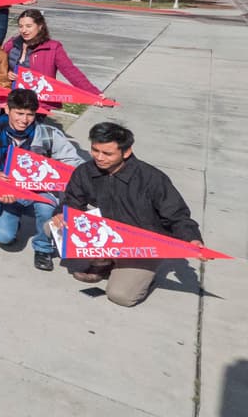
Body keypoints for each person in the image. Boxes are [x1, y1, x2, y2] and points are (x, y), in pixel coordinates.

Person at [50, 122, 204, 308]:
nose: (99, 157)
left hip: (141, 243)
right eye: (95, 150)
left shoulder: (152, 179)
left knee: (120, 295)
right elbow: (72, 201)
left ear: (126, 152)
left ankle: (145, 271)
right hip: (107, 235)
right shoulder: (85, 172)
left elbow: (177, 215)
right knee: (51, 226)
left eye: (107, 153)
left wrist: (192, 239)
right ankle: (105, 261)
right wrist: (62, 214)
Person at [0, 89, 83, 271]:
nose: (24, 119)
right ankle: (14, 219)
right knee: (4, 237)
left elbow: (75, 164)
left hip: (40, 191)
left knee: (46, 209)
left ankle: (43, 247)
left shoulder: (49, 134)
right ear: (7, 109)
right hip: (7, 190)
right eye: (19, 113)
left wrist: (50, 172)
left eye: (30, 114)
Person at [5, 9, 103, 103]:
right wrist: (7, 72)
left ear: (40, 26)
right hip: (11, 97)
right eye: (21, 26)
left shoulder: (53, 48)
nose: (24, 30)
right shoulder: (12, 43)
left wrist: (94, 93)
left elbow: (71, 72)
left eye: (29, 26)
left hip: (37, 100)